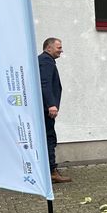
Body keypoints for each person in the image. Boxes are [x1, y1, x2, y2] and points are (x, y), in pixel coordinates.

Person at [38, 37, 71, 184]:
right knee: (49, 137)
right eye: (59, 47)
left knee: (48, 137)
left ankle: (49, 170)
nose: (61, 50)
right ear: (48, 47)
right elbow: (44, 84)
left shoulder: (46, 60)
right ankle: (51, 171)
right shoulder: (45, 61)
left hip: (44, 108)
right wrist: (51, 104)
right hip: (46, 109)